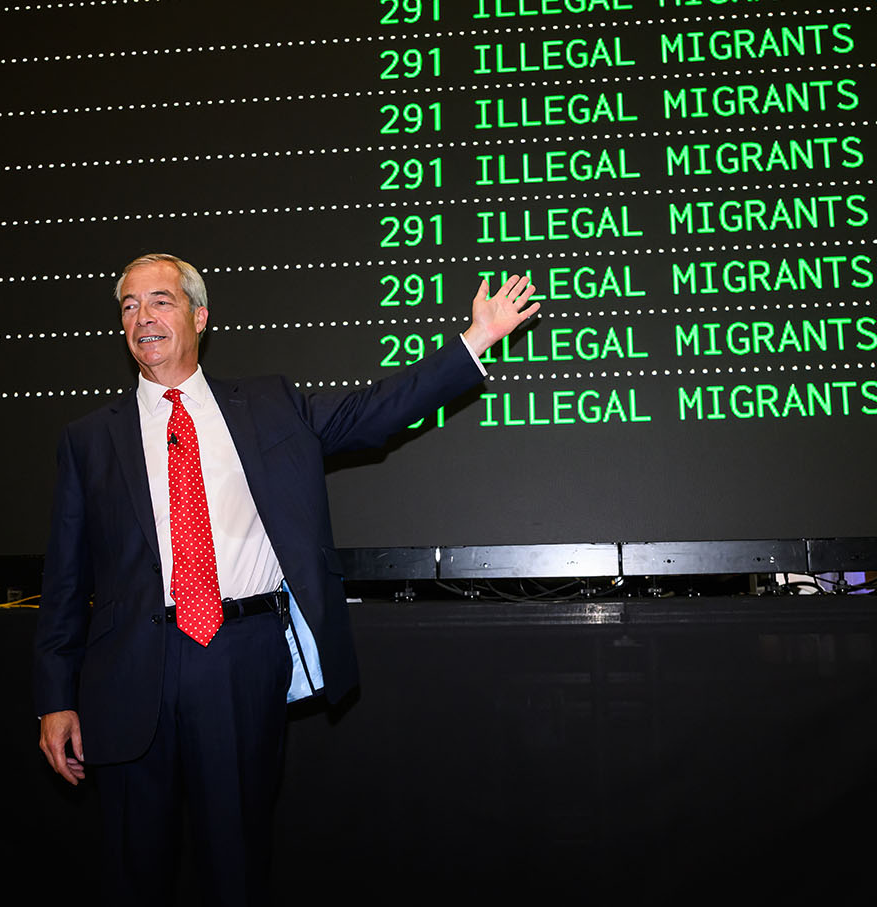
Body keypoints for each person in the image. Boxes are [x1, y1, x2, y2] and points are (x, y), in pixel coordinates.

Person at [33, 253, 539, 903]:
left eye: (160, 300)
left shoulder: (269, 405)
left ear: (199, 316)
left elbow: (374, 412)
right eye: (129, 306)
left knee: (235, 863)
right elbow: (66, 577)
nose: (143, 317)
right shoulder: (87, 440)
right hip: (128, 670)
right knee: (134, 870)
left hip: (240, 657)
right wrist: (54, 696)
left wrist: (476, 339)